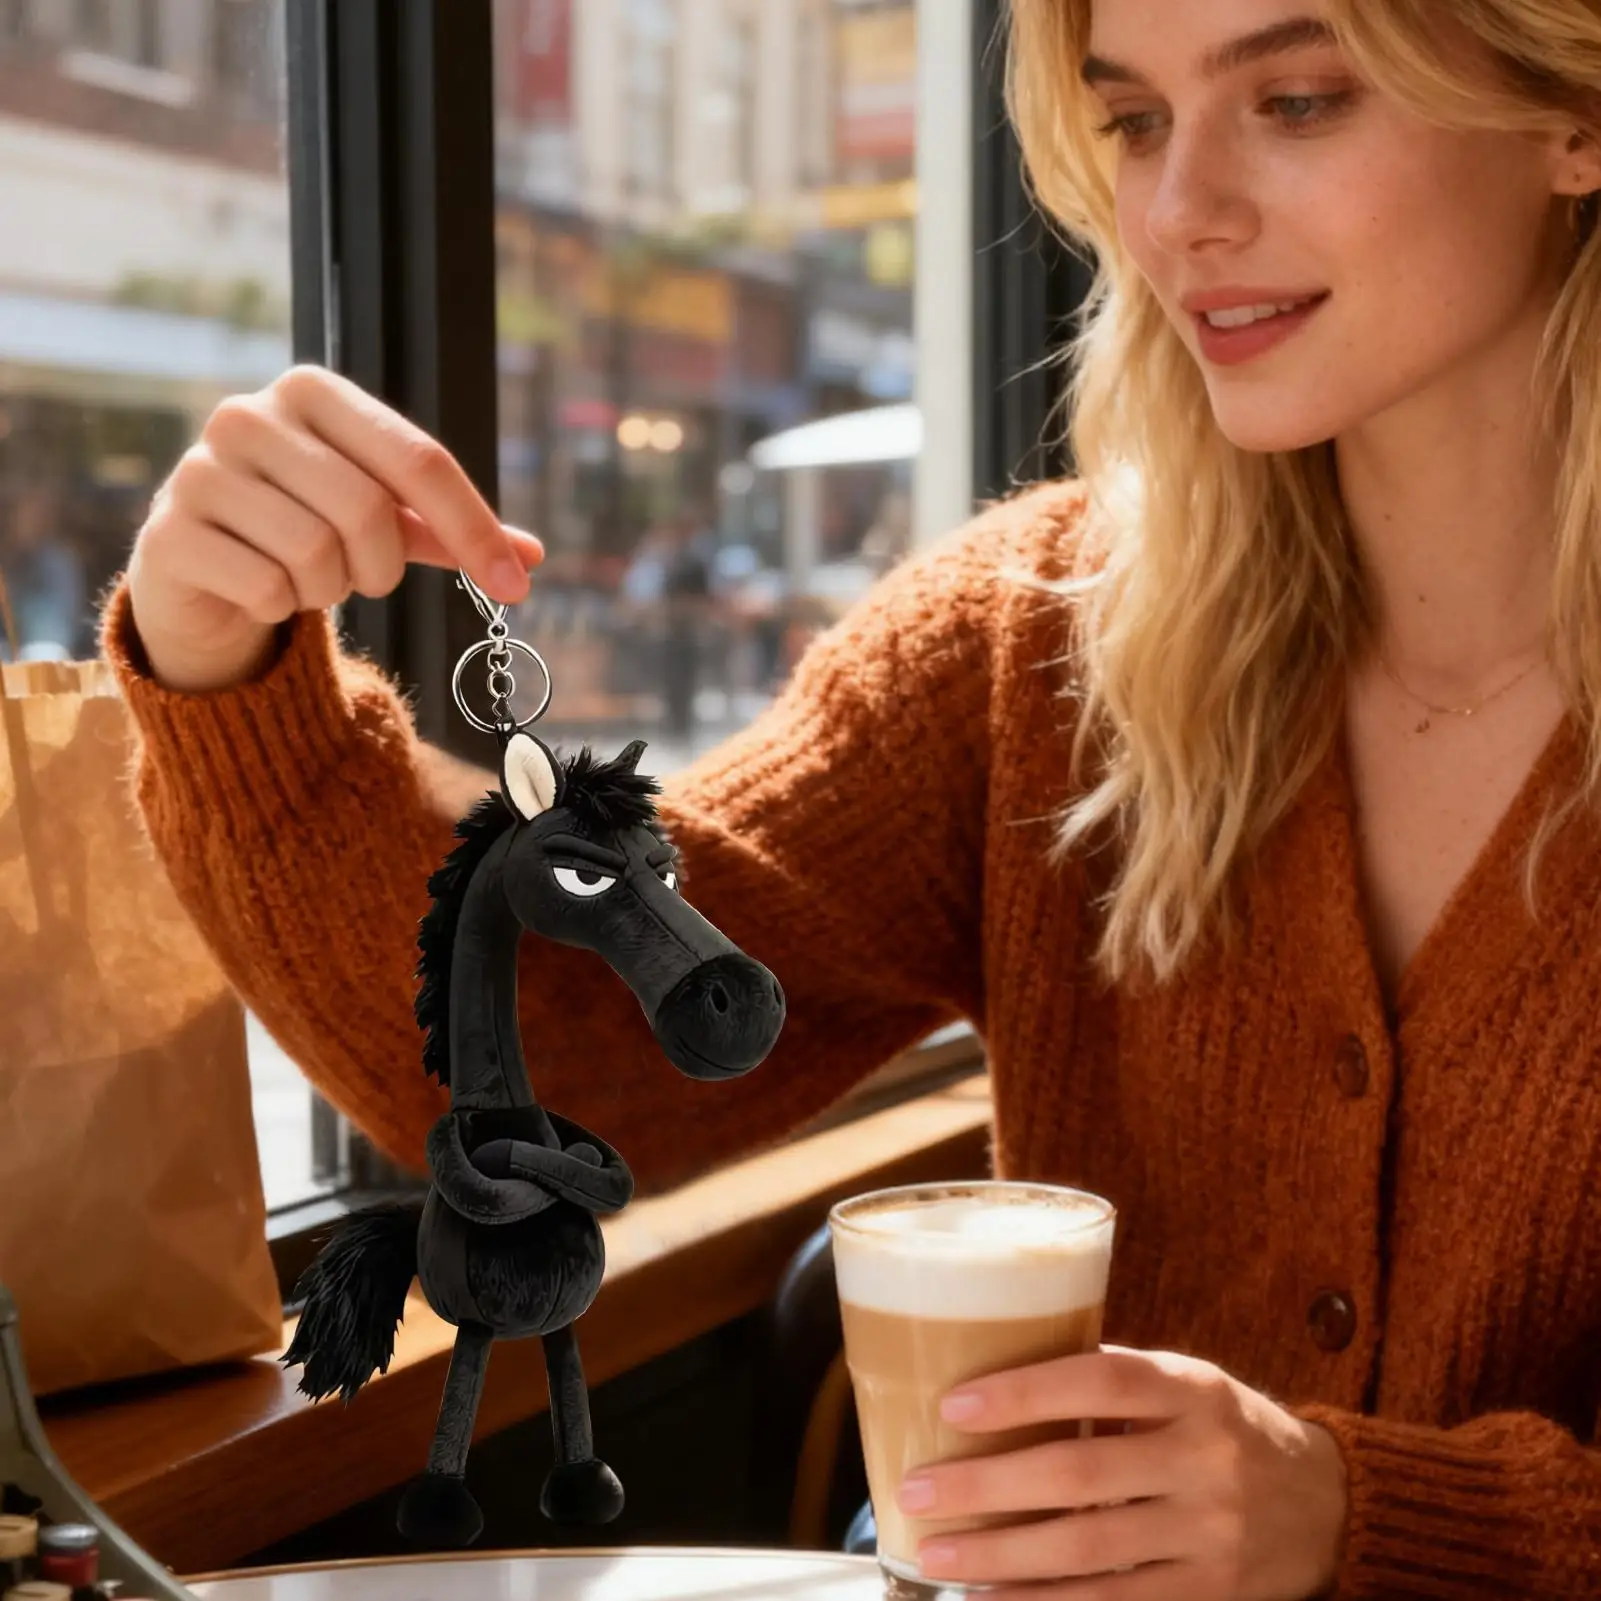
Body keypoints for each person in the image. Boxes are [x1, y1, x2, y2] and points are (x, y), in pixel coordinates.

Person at [100, 0, 1601, 1593]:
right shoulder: (1039, 648)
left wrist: (1371, 1522)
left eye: (1296, 102)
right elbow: (572, 1064)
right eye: (1136, 122)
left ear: (1571, 111)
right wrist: (231, 670)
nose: (1175, 216)